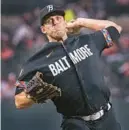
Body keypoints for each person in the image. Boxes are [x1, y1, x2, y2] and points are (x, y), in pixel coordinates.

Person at [15, 5, 122, 130]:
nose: (55, 22)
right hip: (75, 124)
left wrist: (81, 22)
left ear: (65, 22)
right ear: (43, 29)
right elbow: (18, 101)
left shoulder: (87, 41)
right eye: (49, 21)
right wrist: (31, 96)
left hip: (107, 119)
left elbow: (116, 29)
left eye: (58, 18)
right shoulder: (37, 62)